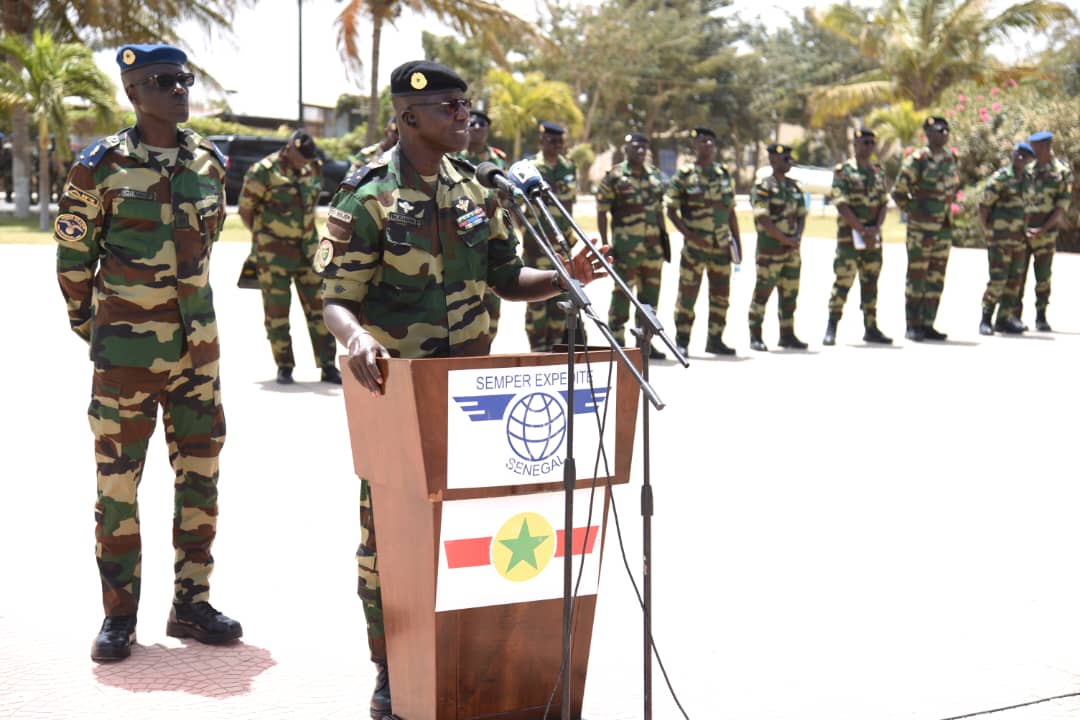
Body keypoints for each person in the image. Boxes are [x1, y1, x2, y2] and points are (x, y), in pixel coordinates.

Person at [314, 60, 609, 720]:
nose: (463, 117)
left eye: (465, 107)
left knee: (469, 531)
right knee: (386, 540)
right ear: (408, 115)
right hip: (397, 391)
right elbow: (336, 297)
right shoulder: (366, 197)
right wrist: (355, 337)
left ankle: (465, 659)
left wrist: (566, 276)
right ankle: (390, 669)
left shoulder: (478, 189)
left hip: (474, 395)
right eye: (449, 107)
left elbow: (508, 278)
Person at [54, 43, 242, 663]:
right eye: (165, 81)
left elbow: (207, 246)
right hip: (126, 356)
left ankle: (192, 603)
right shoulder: (99, 166)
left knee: (200, 478)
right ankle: (119, 615)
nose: (180, 90)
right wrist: (98, 329)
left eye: (184, 80)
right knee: (117, 485)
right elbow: (75, 260)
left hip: (199, 354)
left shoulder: (210, 163)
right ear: (134, 93)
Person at [238, 129, 340, 384]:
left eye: (308, 158)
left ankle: (328, 365)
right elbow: (245, 210)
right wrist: (266, 237)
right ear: (290, 149)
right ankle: (285, 366)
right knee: (277, 314)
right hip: (273, 256)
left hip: (308, 252)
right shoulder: (264, 171)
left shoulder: (313, 167)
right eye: (301, 157)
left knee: (321, 310)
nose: (304, 162)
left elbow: (312, 205)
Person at [666, 127, 740, 356]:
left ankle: (715, 340)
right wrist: (690, 236)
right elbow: (670, 210)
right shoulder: (684, 175)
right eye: (702, 141)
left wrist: (737, 242)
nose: (707, 145)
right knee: (687, 297)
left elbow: (730, 211)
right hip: (695, 249)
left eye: (710, 141)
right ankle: (682, 342)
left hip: (721, 247)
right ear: (694, 146)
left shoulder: (723, 174)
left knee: (720, 297)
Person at [596, 132, 669, 359]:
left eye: (644, 147)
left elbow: (658, 211)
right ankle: (617, 344)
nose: (640, 151)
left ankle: (644, 344)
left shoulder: (655, 176)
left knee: (650, 298)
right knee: (622, 296)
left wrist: (664, 241)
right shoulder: (615, 176)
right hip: (625, 249)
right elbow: (602, 212)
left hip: (652, 249)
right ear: (625, 149)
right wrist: (606, 244)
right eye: (636, 147)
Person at [891, 116, 959, 342]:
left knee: (936, 277)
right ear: (928, 135)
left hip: (943, 228)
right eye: (939, 131)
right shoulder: (917, 160)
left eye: (946, 131)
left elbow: (950, 191)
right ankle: (913, 324)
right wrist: (917, 212)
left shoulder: (951, 159)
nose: (944, 134)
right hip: (921, 230)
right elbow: (898, 193)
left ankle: (928, 323)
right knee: (917, 277)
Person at [823, 128, 892, 346]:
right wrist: (862, 230)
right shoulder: (843, 171)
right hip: (849, 238)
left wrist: (875, 229)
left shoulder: (878, 171)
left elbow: (884, 203)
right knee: (843, 282)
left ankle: (871, 328)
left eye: (872, 143)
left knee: (870, 283)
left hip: (872, 239)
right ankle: (831, 326)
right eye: (864, 142)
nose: (869, 146)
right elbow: (841, 204)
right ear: (855, 145)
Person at [522, 120, 580, 351]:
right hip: (537, 246)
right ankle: (537, 350)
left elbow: (569, 205)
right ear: (541, 141)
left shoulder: (569, 167)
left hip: (561, 245)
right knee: (536, 300)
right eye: (551, 140)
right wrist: (529, 232)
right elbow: (514, 206)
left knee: (560, 297)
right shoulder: (530, 168)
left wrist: (569, 236)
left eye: (560, 141)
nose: (556, 145)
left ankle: (554, 349)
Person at [748, 143, 807, 352]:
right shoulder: (763, 187)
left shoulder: (794, 186)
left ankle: (787, 335)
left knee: (790, 295)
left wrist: (797, 237)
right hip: (769, 251)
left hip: (792, 252)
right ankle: (755, 336)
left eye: (790, 158)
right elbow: (763, 219)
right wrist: (785, 239)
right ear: (773, 160)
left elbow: (801, 214)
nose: (789, 162)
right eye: (785, 159)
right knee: (762, 294)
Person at [456, 108, 509, 340]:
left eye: (482, 124)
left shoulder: (498, 160)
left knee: (492, 305)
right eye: (473, 123)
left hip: (492, 235)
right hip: (461, 236)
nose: (477, 128)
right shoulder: (455, 157)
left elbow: (506, 200)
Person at [1017, 130, 1073, 332]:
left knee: (1043, 277)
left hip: (1045, 233)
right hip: (1023, 233)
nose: (1033, 149)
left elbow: (1061, 208)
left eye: (1036, 146)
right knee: (1017, 275)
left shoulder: (1061, 172)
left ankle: (1041, 316)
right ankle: (1014, 316)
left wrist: (1042, 229)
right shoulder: (1028, 169)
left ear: (1046, 146)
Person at [977, 142, 1035, 335]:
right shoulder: (1000, 178)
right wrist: (988, 231)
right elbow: (984, 207)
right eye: (1018, 154)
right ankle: (985, 319)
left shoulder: (1027, 179)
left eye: (1025, 157)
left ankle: (1004, 319)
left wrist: (1024, 230)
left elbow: (1027, 207)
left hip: (1018, 240)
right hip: (999, 239)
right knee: (998, 280)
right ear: (1013, 154)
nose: (1020, 159)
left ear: (1029, 160)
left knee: (1014, 281)